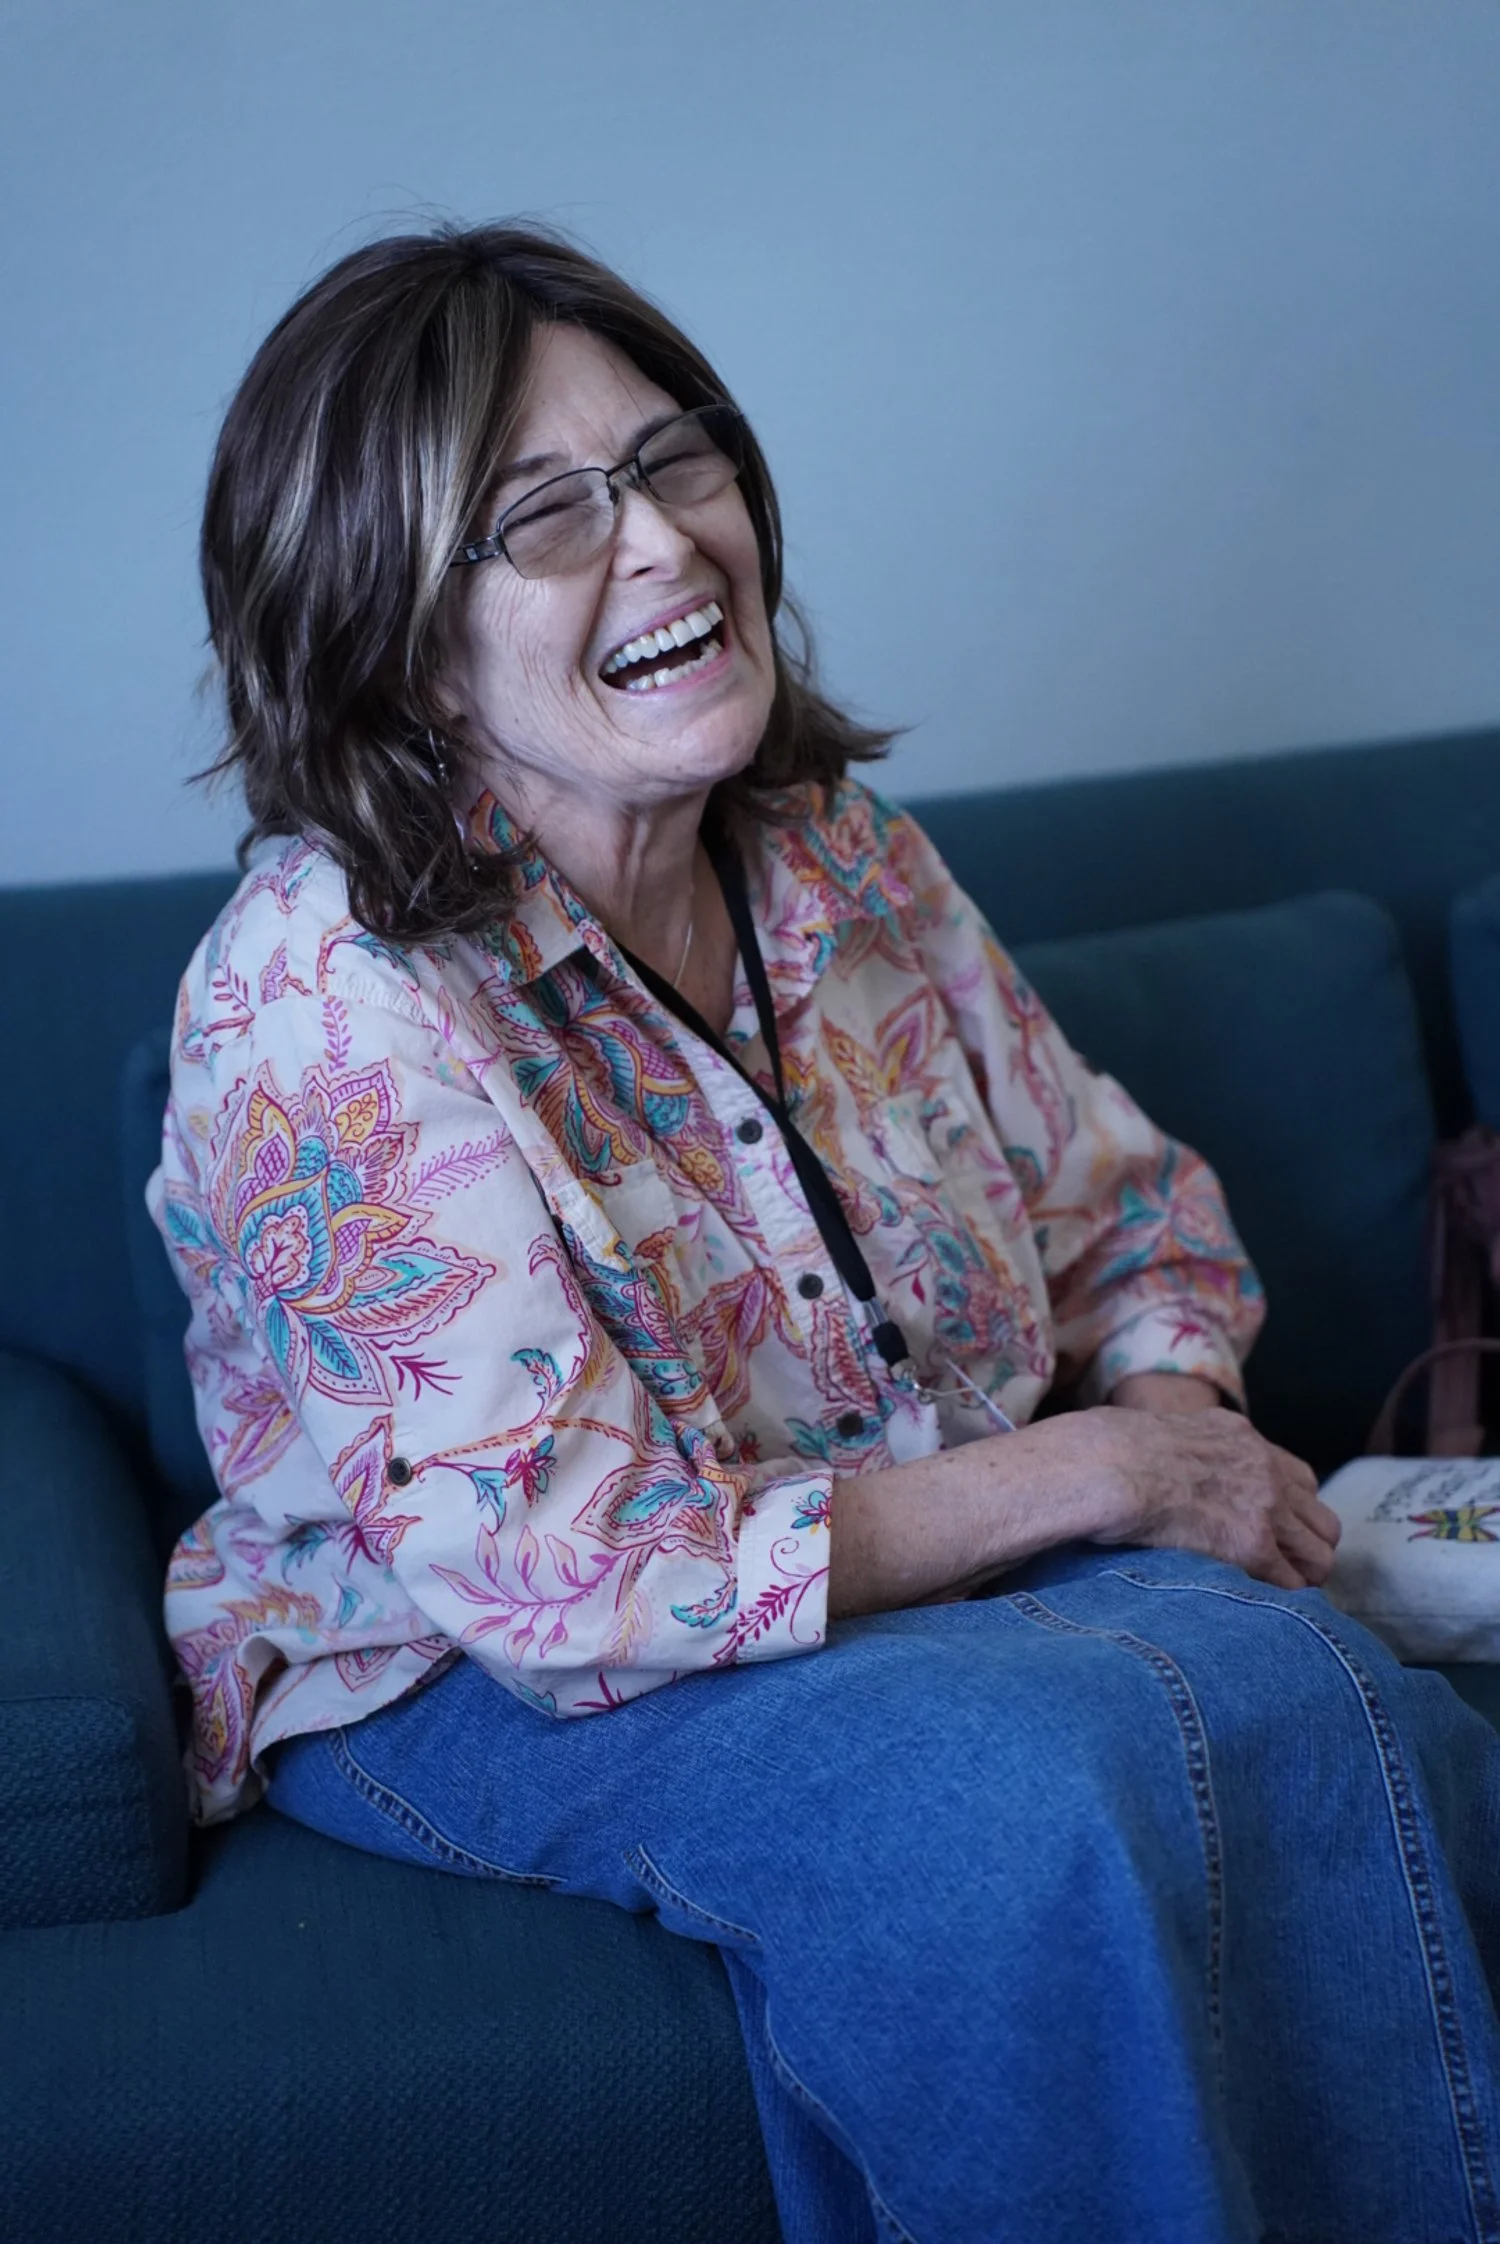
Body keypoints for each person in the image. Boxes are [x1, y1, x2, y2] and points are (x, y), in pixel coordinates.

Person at [151, 221, 1500, 2244]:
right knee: (1019, 1808)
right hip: (465, 1668)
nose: (664, 541)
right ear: (391, 638)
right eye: (546, 514)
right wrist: (1093, 1477)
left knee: (1325, 1693)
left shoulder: (834, 857)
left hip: (894, 1568)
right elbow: (562, 1575)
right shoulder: (317, 1000)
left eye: (674, 459)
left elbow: (1128, 1217)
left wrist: (1182, 1437)